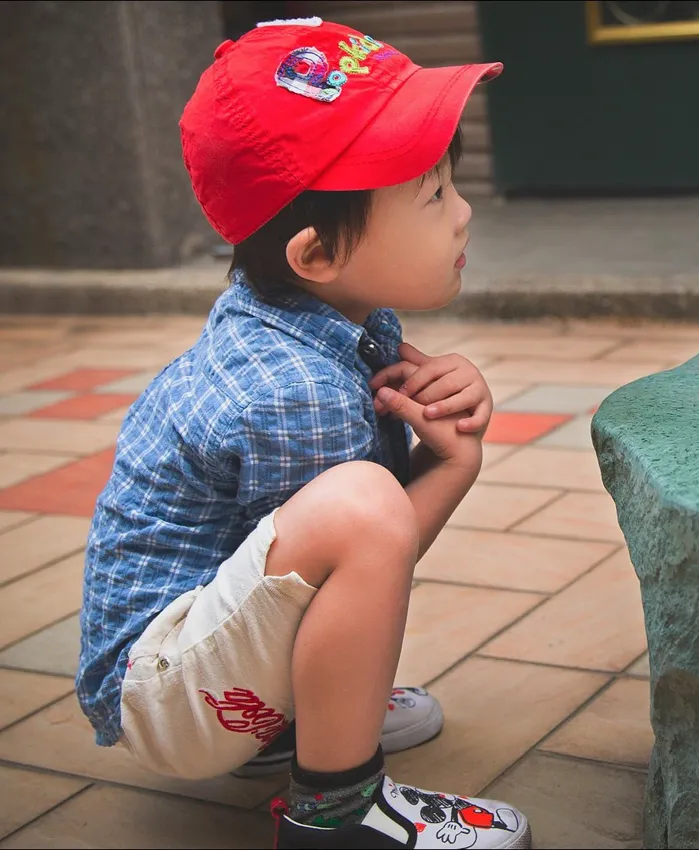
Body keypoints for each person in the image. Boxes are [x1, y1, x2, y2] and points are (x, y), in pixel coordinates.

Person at [74, 16, 531, 849]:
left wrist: (436, 429)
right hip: (168, 693)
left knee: (356, 510)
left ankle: (295, 724)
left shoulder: (320, 320)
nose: (463, 214)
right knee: (360, 507)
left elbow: (296, 571)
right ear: (316, 254)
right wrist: (450, 466)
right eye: (433, 196)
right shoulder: (293, 388)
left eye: (451, 183)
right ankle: (337, 812)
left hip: (200, 660)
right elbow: (357, 551)